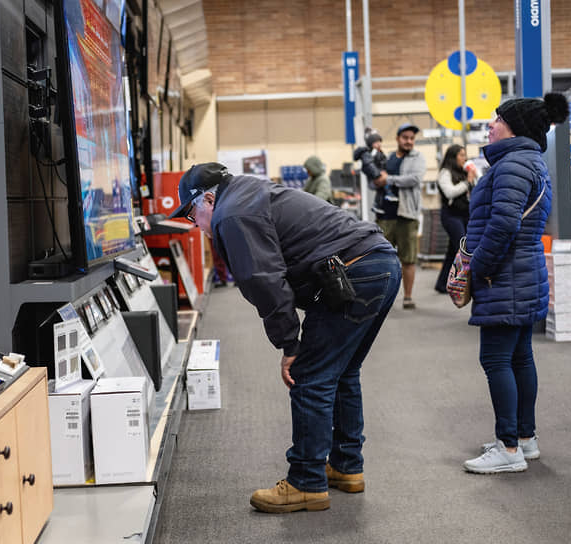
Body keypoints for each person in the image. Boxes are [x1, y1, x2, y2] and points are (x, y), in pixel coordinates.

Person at [168, 163, 401, 513]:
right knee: (342, 372)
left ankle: (306, 482)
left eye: (192, 214)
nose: (197, 225)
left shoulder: (231, 215)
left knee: (310, 376)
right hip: (378, 263)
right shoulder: (250, 191)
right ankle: (346, 466)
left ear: (209, 199)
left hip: (353, 273)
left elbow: (263, 281)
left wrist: (290, 345)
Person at [462, 92, 568, 474]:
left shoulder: (510, 166)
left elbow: (504, 223)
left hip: (503, 275)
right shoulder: (530, 162)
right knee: (520, 356)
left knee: (495, 359)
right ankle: (525, 438)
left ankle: (508, 448)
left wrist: (480, 268)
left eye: (496, 120)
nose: (490, 125)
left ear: (515, 127)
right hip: (523, 273)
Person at [371, 124, 426, 309]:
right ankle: (380, 298)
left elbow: (415, 178)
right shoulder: (389, 159)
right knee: (382, 258)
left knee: (408, 258)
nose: (409, 141)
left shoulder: (418, 158)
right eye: (405, 137)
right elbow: (377, 180)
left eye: (412, 138)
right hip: (385, 214)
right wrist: (377, 181)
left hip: (407, 215)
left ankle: (408, 297)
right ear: (397, 138)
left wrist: (389, 179)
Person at [433, 144, 475, 293]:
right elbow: (450, 192)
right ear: (453, 157)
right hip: (451, 215)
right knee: (462, 248)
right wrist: (467, 182)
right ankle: (463, 284)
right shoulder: (445, 172)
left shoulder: (464, 172)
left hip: (465, 214)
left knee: (453, 251)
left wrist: (473, 178)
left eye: (465, 155)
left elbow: (473, 191)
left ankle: (441, 283)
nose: (465, 158)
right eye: (461, 155)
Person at [354, 130, 389, 214]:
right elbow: (370, 165)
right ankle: (378, 205)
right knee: (383, 189)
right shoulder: (369, 154)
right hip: (375, 178)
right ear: (371, 143)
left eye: (379, 142)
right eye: (376, 142)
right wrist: (378, 175)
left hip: (378, 175)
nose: (379, 144)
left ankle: (379, 205)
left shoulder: (378, 152)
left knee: (382, 190)